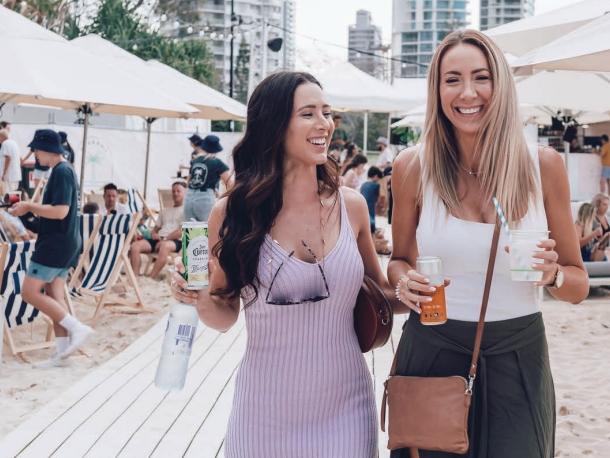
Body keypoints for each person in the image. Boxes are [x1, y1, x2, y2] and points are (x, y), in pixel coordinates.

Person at [171, 71, 397, 457]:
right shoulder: (232, 213)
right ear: (274, 126)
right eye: (308, 113)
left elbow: (384, 297)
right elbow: (225, 313)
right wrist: (199, 298)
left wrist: (419, 287)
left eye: (327, 112)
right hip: (264, 416)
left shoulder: (352, 207)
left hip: (347, 408)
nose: (324, 123)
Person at [389, 30, 588, 458]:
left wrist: (552, 274)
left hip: (519, 355)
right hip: (433, 349)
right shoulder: (412, 167)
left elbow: (578, 285)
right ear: (437, 90)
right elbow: (399, 259)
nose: (468, 93)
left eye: (481, 77)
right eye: (452, 79)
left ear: (500, 85)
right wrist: (404, 283)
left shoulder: (543, 167)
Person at [9, 129, 92, 367]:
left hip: (55, 244)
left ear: (46, 149)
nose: (34, 154)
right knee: (55, 296)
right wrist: (24, 214)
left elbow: (60, 211)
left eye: (35, 150)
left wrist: (29, 205)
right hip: (65, 242)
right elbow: (57, 214)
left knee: (29, 293)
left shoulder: (62, 171)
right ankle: (62, 354)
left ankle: (78, 328)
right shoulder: (63, 171)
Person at [130, 181, 185, 279]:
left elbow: (181, 231)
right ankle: (135, 277)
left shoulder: (186, 211)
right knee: (135, 246)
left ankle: (151, 278)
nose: (175, 193)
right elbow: (155, 229)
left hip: (175, 241)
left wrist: (165, 239)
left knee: (164, 246)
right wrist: (154, 233)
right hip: (160, 239)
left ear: (185, 193)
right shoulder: (165, 211)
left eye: (178, 191)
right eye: (173, 191)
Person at [183, 134, 231, 222]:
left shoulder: (195, 161)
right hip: (205, 199)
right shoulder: (217, 162)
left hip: (189, 197)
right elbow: (230, 183)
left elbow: (188, 181)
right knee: (208, 230)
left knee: (190, 231)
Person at [360, 165, 383, 233]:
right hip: (370, 211)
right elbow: (378, 199)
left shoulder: (363, 185)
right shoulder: (376, 185)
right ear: (376, 176)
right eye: (378, 178)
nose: (378, 181)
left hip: (361, 210)